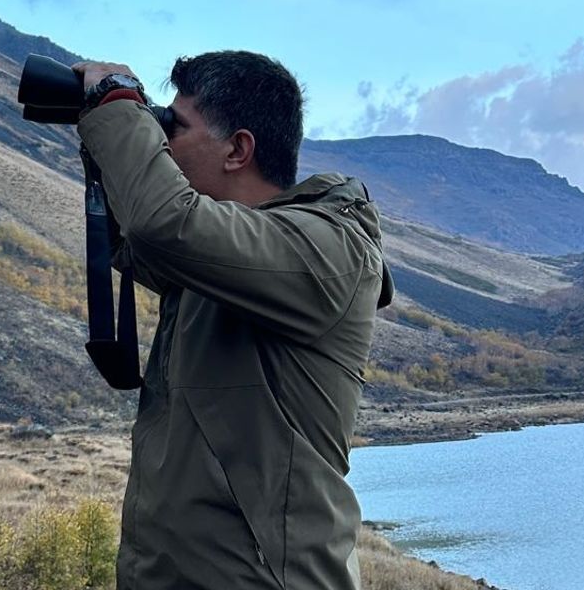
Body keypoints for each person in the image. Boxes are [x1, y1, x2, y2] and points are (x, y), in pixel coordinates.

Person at [73, 51, 393, 590]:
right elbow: (132, 238)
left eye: (174, 126)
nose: (163, 140)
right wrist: (106, 133)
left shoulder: (323, 249)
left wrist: (120, 105)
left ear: (238, 149)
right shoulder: (219, 265)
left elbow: (161, 222)